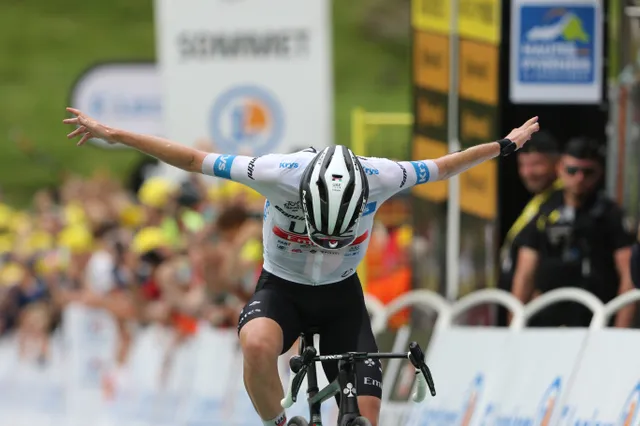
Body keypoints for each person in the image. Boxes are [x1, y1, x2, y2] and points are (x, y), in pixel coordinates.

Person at [63, 107, 539, 426]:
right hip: (282, 289)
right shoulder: (275, 173)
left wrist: (507, 144)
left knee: (365, 417)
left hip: (340, 298)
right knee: (255, 343)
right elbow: (190, 157)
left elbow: (447, 164)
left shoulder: (383, 177)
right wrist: (114, 134)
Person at [511, 137, 636, 327]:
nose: (579, 178)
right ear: (560, 168)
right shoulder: (544, 210)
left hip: (595, 320)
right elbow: (524, 273)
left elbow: (629, 275)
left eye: (588, 172)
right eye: (572, 170)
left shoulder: (609, 214)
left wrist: (620, 330)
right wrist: (515, 324)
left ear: (599, 172)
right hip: (546, 319)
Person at [497, 131, 562, 326]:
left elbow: (530, 268)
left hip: (536, 316)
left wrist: (515, 320)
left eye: (536, 165)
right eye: (522, 165)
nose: (527, 172)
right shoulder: (540, 199)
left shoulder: (561, 201)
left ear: (557, 163)